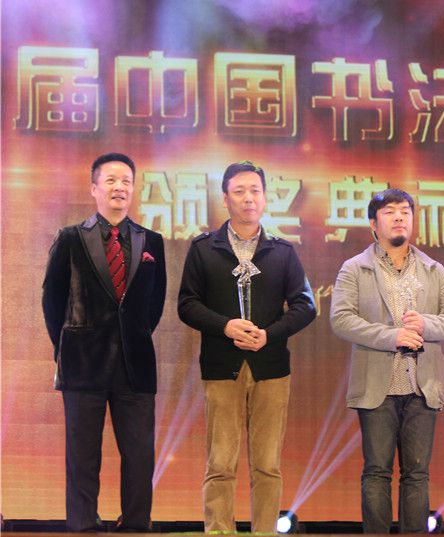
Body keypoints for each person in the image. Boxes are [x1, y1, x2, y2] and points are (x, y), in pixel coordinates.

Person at [178, 161, 316, 533]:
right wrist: (225, 326)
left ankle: (264, 531)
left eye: (255, 190)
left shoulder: (282, 251)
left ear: (265, 198)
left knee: (267, 464)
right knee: (220, 462)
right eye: (239, 191)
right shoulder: (205, 249)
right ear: (225, 199)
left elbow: (306, 306)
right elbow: (187, 304)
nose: (248, 198)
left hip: (271, 368)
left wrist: (269, 334)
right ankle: (219, 530)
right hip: (221, 366)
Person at [42, 152, 166, 532]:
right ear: (94, 188)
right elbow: (53, 300)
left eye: (126, 181)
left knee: (140, 456)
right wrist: (68, 346)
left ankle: (136, 524)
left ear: (133, 190)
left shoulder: (151, 241)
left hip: (135, 365)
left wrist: (133, 336)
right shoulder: (70, 238)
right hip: (83, 364)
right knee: (83, 456)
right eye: (110, 180)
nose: (119, 187)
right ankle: (83, 525)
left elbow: (155, 303)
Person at [331, 188, 444, 533]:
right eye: (390, 212)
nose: (399, 217)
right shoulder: (354, 268)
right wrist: (392, 336)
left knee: (417, 474)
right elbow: (341, 319)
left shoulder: (433, 269)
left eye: (405, 211)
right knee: (377, 472)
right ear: (373, 224)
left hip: (423, 387)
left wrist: (426, 325)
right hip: (378, 388)